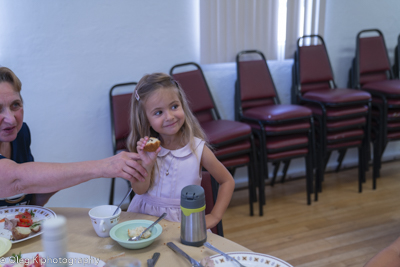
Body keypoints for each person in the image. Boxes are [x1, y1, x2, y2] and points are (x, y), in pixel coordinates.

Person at [0, 66, 147, 207]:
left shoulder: (21, 134)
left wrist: (62, 178)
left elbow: (31, 200)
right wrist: (104, 167)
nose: (11, 119)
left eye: (15, 105)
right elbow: (18, 181)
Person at [126, 72, 235, 230]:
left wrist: (215, 216)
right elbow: (139, 189)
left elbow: (227, 181)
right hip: (144, 221)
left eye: (174, 106)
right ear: (146, 119)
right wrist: (147, 164)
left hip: (184, 225)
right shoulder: (146, 150)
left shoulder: (198, 149)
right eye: (158, 112)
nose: (169, 116)